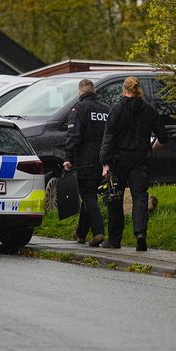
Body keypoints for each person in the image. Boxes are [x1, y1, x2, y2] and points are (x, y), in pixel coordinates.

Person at [99, 76, 168, 251]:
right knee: (140, 197)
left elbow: (109, 137)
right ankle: (140, 234)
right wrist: (151, 148)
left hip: (119, 159)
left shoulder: (116, 110)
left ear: (124, 90)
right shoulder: (149, 111)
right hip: (140, 159)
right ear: (139, 91)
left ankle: (114, 240)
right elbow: (164, 137)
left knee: (115, 197)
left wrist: (105, 163)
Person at [63, 79, 110, 246]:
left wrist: (68, 157)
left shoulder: (79, 109)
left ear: (79, 92)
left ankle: (98, 232)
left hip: (85, 160)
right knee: (89, 194)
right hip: (103, 160)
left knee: (88, 195)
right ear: (94, 91)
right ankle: (81, 233)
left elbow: (74, 135)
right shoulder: (106, 109)